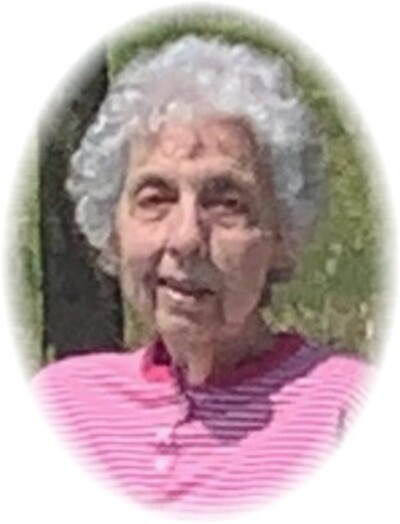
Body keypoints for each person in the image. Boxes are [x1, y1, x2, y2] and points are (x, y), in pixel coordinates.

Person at [33, 35, 372, 514]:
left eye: (226, 203)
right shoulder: (58, 405)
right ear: (113, 229)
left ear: (281, 235)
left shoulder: (350, 410)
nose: (186, 237)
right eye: (155, 198)